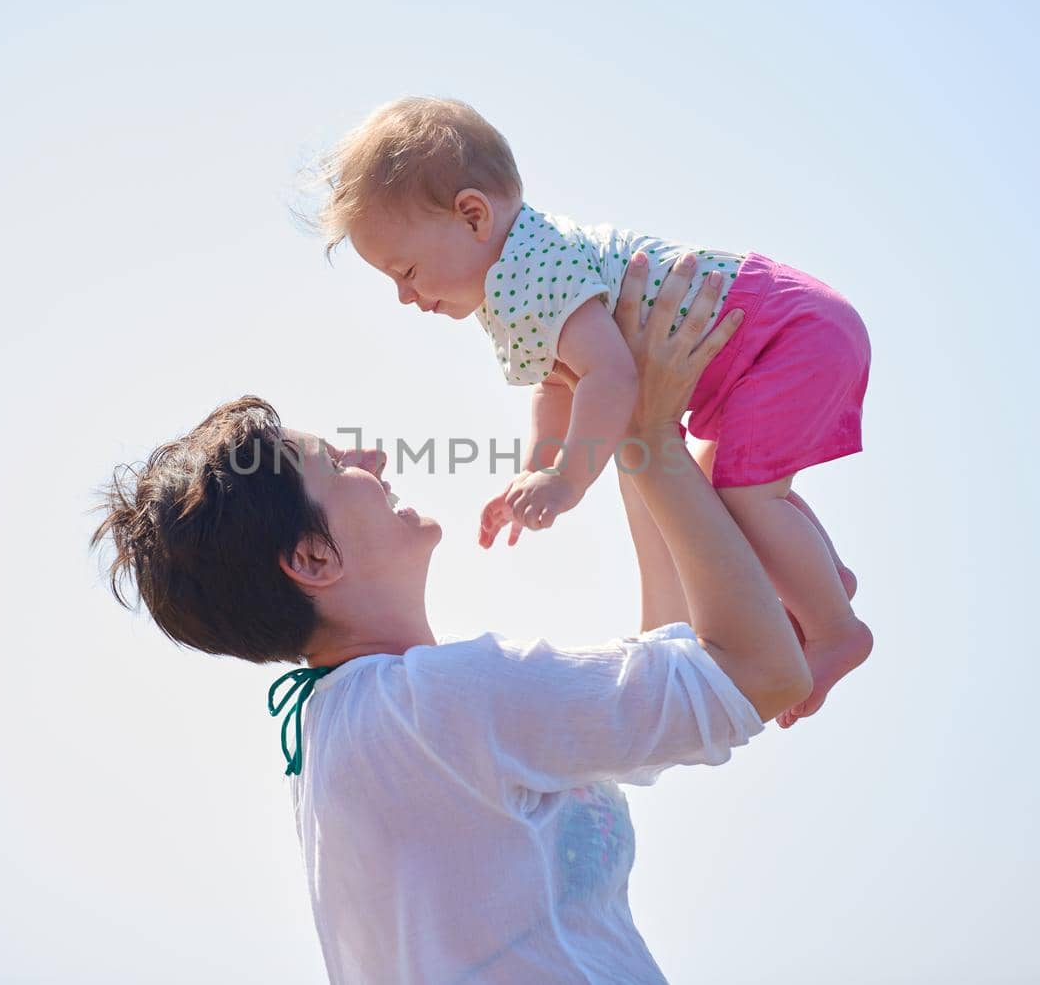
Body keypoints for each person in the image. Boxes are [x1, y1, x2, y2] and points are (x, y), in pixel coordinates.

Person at [92, 258, 811, 982]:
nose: (372, 456)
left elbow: (670, 672)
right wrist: (652, 439)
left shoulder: (358, 727)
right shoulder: (434, 705)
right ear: (312, 558)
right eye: (337, 464)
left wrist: (634, 434)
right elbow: (760, 673)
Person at [312, 96, 872, 727]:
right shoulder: (511, 282)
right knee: (718, 497)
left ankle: (834, 631)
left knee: (743, 498)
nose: (405, 296)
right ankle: (825, 583)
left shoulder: (534, 268)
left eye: (407, 271)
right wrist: (534, 469)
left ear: (473, 216)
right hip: (775, 330)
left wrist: (567, 479)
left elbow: (611, 376)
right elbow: (561, 385)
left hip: (782, 336)